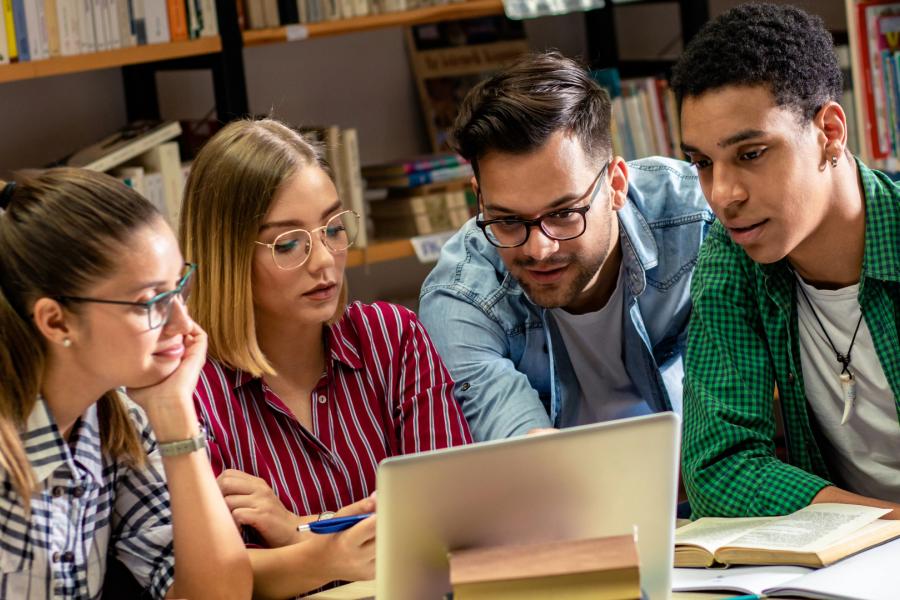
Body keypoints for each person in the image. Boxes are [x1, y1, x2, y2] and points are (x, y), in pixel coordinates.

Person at [179, 118, 472, 598]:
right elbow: (208, 581)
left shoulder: (391, 337)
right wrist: (329, 554)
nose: (324, 261)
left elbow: (451, 515)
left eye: (334, 228)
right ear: (225, 254)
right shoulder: (191, 393)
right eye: (288, 243)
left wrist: (298, 530)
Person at [672, 3, 900, 518]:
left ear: (830, 133)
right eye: (703, 163)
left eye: (751, 154)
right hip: (855, 565)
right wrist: (885, 528)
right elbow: (719, 467)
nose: (723, 194)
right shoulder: (734, 257)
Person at [418, 51, 713, 441]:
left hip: (701, 487)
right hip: (560, 498)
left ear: (616, 185)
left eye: (563, 214)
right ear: (480, 200)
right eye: (507, 220)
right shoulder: (459, 296)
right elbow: (528, 458)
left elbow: (732, 429)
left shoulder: (698, 221)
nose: (539, 249)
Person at [0, 169, 251, 599]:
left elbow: (221, 594)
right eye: (148, 303)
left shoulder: (124, 419)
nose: (183, 324)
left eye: (179, 288)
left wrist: (175, 415)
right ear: (55, 320)